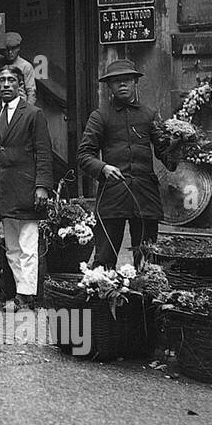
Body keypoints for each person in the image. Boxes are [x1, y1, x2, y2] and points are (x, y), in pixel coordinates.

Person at [77, 59, 180, 269]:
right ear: (109, 87)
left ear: (135, 82)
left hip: (145, 196)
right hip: (113, 195)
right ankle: (103, 297)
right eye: (116, 81)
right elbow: (84, 155)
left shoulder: (149, 115)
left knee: (146, 258)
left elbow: (166, 157)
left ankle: (144, 299)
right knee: (104, 258)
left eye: (126, 80)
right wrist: (103, 168)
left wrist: (178, 146)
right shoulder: (100, 116)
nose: (122, 85)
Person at [0, 64, 53, 308]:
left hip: (27, 188)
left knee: (28, 244)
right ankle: (23, 293)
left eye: (11, 80)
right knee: (11, 246)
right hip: (3, 190)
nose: (5, 85)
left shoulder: (33, 114)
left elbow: (44, 152)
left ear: (20, 85)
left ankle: (24, 294)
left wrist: (42, 186)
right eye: (1, 80)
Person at [0, 31, 37, 106]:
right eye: (7, 49)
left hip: (20, 105)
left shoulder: (26, 66)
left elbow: (31, 92)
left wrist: (27, 112)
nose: (10, 52)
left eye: (13, 49)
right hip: (2, 105)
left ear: (19, 48)